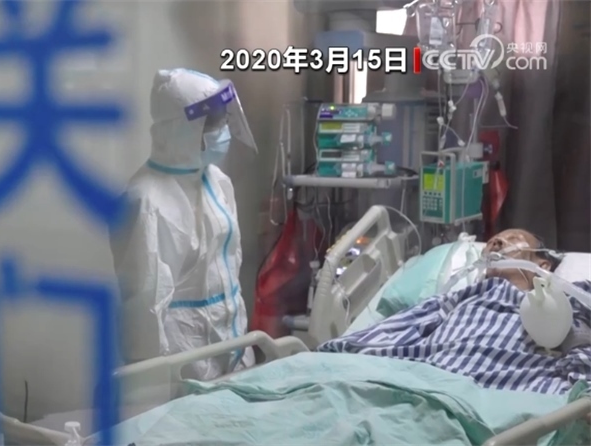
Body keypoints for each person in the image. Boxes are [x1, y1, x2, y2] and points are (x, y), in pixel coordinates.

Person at [109, 69, 258, 380]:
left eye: (223, 118)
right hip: (185, 363)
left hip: (234, 347)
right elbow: (144, 308)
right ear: (181, 127)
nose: (222, 128)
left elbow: (229, 267)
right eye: (212, 120)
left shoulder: (216, 182)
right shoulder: (145, 201)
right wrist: (153, 382)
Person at [320, 229, 591, 396]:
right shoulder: (457, 298)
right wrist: (327, 359)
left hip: (506, 396)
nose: (497, 242)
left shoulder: (563, 300)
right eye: (494, 239)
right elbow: (393, 334)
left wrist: (581, 394)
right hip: (427, 388)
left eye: (513, 239)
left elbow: (583, 349)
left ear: (542, 265)